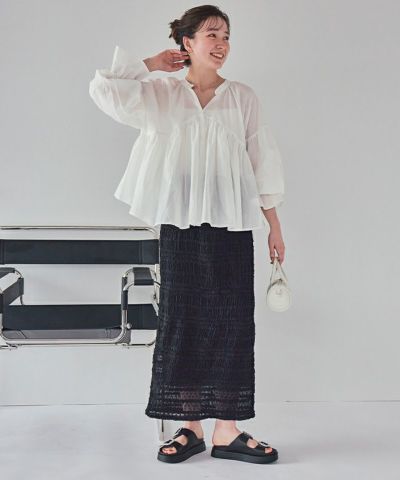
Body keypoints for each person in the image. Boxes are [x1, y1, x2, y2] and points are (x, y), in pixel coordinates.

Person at [89, 4, 285, 465]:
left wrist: (274, 226)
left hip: (233, 224)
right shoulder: (162, 94)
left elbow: (262, 161)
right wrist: (150, 64)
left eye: (226, 36)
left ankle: (228, 430)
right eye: (212, 34)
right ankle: (189, 426)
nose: (222, 44)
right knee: (182, 321)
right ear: (187, 42)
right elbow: (105, 89)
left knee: (233, 323)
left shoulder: (242, 97)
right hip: (179, 225)